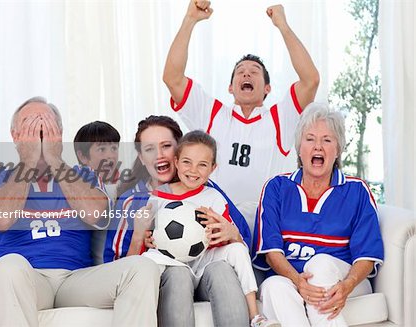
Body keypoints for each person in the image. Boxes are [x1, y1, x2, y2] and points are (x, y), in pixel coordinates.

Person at [0, 97, 160, 327]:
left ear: (59, 134)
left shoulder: (85, 175)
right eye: (31, 126)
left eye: (46, 127)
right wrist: (28, 162)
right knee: (7, 267)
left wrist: (54, 158)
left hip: (75, 280)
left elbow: (97, 215)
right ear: (15, 136)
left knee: (142, 268)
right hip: (24, 279)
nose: (40, 135)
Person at [163, 1, 320, 204]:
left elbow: (311, 80)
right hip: (214, 220)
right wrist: (190, 19)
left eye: (254, 71)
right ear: (230, 87)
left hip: (264, 221)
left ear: (267, 88)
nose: (246, 72)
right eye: (240, 71)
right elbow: (172, 78)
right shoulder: (212, 113)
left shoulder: (280, 117)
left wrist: (283, 26)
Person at [103, 115, 252, 326]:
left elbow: (244, 246)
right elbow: (115, 273)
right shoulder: (132, 202)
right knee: (178, 274)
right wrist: (139, 238)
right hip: (167, 278)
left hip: (204, 276)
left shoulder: (208, 192)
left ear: (179, 150)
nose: (159, 155)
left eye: (166, 146)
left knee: (222, 270)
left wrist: (231, 234)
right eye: (149, 149)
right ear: (141, 156)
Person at [251, 103, 384, 326]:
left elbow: (367, 256)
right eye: (310, 139)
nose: (318, 147)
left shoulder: (357, 191)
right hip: (291, 278)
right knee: (274, 286)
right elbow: (272, 252)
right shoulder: (276, 188)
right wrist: (298, 281)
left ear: (338, 149)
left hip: (342, 279)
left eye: (327, 140)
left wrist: (347, 285)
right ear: (299, 148)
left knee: (319, 265)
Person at [143, 130, 280, 327]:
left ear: (213, 168)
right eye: (187, 162)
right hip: (173, 264)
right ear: (176, 162)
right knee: (148, 258)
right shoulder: (158, 197)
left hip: (205, 262)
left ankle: (255, 316)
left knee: (238, 249)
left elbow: (225, 235)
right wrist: (149, 239)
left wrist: (230, 234)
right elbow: (149, 234)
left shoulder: (213, 197)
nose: (193, 170)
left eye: (202, 165)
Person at [74, 121, 121, 202]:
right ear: (82, 157)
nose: (111, 155)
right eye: (102, 149)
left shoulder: (123, 183)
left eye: (114, 148)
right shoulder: (76, 185)